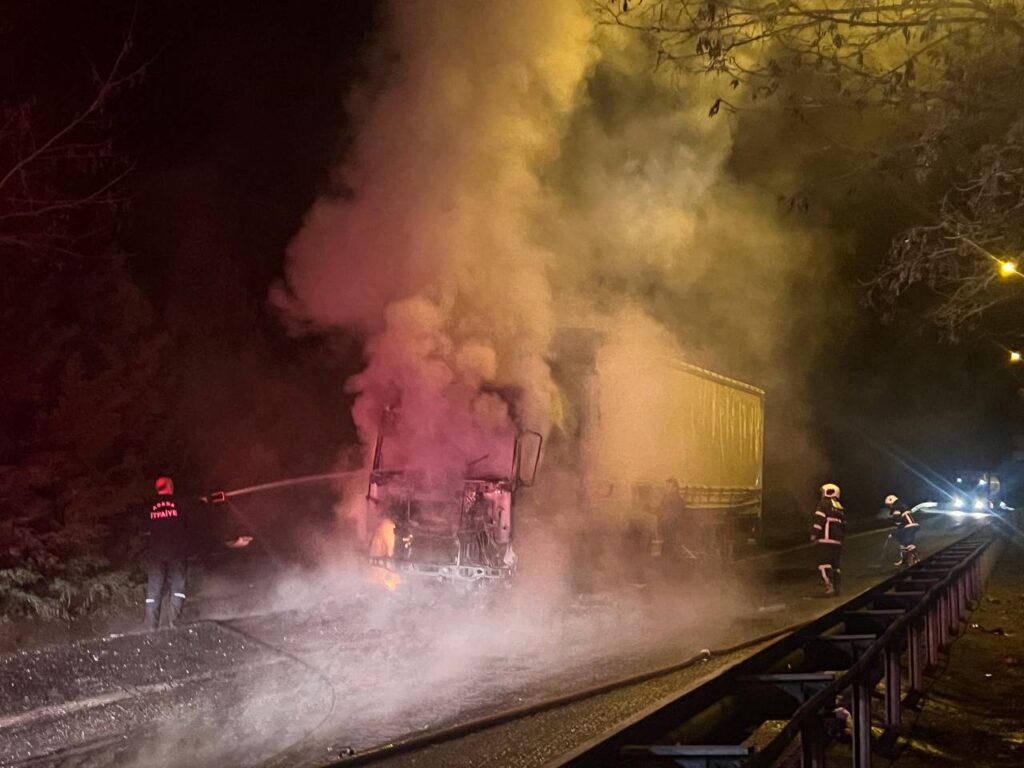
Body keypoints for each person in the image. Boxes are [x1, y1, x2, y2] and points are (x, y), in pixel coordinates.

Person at [144, 475, 190, 630]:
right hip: (176, 552)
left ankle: (151, 628)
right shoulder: (180, 504)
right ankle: (174, 624)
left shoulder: (149, 507)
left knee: (154, 590)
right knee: (178, 587)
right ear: (171, 486)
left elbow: (144, 529)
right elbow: (190, 524)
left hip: (155, 554)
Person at [811, 483, 845, 596]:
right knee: (835, 565)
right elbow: (843, 525)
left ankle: (829, 586)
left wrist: (814, 534)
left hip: (825, 539)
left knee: (824, 564)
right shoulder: (839, 507)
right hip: (838, 541)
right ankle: (837, 587)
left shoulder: (824, 504)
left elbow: (819, 520)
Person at [885, 494, 919, 567]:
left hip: (909, 526)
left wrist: (895, 533)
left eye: (888, 505)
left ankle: (916, 559)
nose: (889, 506)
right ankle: (904, 561)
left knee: (908, 543)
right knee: (903, 545)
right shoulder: (902, 505)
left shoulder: (896, 508)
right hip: (911, 525)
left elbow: (898, 521)